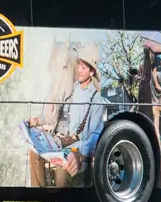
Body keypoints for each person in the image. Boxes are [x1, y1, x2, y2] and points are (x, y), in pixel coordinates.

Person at [27, 42, 107, 188]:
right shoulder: (71, 89)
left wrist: (79, 152)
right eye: (78, 66)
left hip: (76, 144)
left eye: (84, 67)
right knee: (33, 149)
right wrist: (38, 121)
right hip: (62, 139)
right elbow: (57, 113)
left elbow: (95, 137)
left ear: (91, 72)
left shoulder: (95, 99)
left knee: (62, 170)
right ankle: (39, 194)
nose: (79, 70)